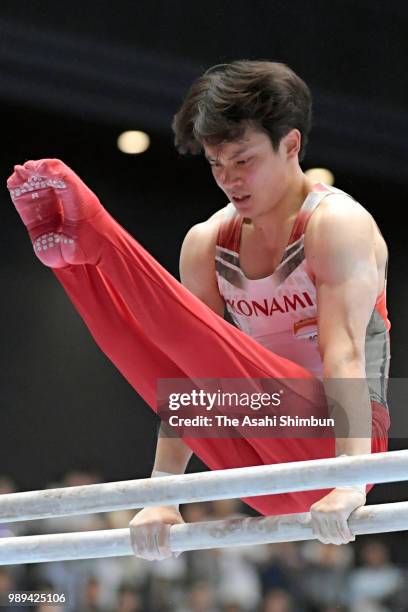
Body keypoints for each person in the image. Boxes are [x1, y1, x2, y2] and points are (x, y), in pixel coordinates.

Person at [7, 61, 390, 557]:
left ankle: (97, 234)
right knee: (151, 354)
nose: (229, 179)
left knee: (202, 343)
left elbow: (345, 357)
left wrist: (350, 478)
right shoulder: (208, 242)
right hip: (259, 461)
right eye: (215, 164)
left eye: (243, 160)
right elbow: (189, 372)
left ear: (291, 145)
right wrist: (165, 492)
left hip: (338, 439)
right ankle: (73, 263)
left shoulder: (336, 224)